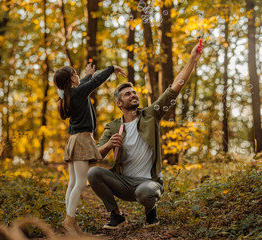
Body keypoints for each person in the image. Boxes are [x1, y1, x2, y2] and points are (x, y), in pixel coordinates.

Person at [87, 41, 203, 229]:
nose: (133, 95)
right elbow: (94, 156)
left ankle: (151, 212)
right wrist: (108, 145)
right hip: (123, 183)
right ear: (119, 103)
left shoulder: (151, 114)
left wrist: (192, 60)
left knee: (145, 192)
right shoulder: (113, 126)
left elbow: (174, 89)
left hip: (148, 183)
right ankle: (116, 215)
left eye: (134, 93)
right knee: (93, 173)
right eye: (127, 94)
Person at [53, 63, 126, 236]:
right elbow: (95, 82)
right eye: (76, 74)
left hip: (74, 140)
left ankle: (70, 223)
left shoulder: (71, 94)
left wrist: (87, 75)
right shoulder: (77, 93)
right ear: (72, 78)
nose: (79, 76)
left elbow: (85, 84)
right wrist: (111, 68)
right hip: (82, 139)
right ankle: (69, 222)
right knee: (80, 182)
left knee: (73, 183)